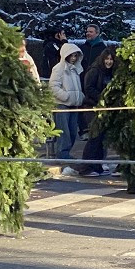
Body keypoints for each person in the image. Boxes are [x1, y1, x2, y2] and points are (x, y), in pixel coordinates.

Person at [78, 48, 117, 176]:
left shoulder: (110, 73)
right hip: (92, 107)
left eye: (111, 59)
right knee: (94, 137)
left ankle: (97, 165)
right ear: (102, 59)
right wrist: (102, 98)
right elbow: (88, 88)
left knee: (102, 138)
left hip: (104, 108)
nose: (109, 61)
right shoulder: (94, 70)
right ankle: (86, 167)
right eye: (107, 59)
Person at [49, 42, 85, 172]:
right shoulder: (58, 68)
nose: (74, 58)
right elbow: (53, 86)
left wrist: (80, 97)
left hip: (74, 105)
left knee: (72, 132)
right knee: (64, 132)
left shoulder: (76, 69)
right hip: (62, 105)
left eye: (76, 56)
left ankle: (67, 153)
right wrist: (65, 97)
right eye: (72, 55)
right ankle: (63, 155)